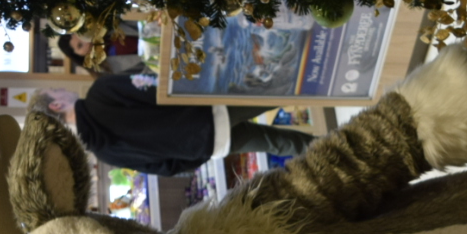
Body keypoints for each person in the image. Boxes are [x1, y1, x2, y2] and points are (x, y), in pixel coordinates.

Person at [32, 72, 315, 176]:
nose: (62, 89)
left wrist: (197, 154)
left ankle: (340, 148)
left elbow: (163, 169)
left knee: (279, 143)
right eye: (57, 91)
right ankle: (340, 88)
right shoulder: (100, 94)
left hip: (210, 144)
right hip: (206, 110)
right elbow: (156, 88)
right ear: (57, 106)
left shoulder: (103, 154)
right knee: (281, 90)